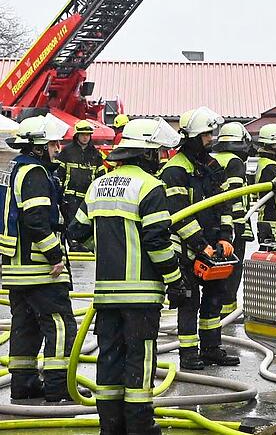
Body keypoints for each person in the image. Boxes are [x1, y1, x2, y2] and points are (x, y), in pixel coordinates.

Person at [68, 118, 187, 435]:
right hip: (141, 295)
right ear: (147, 153)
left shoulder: (98, 185)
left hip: (106, 294)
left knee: (109, 360)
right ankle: (140, 427)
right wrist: (175, 280)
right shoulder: (150, 187)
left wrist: (109, 248)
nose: (160, 158)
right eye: (158, 152)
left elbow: (77, 232)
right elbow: (157, 243)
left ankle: (111, 427)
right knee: (140, 361)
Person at [0, 114, 76, 402]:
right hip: (39, 267)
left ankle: (24, 385)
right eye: (53, 144)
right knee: (60, 324)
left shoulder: (13, 168)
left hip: (16, 267)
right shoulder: (34, 173)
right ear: (38, 147)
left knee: (25, 327)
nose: (58, 148)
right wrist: (55, 255)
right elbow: (35, 219)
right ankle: (58, 387)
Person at [159, 106, 239, 370]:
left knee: (214, 300)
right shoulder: (175, 170)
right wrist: (200, 246)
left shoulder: (213, 166)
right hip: (186, 249)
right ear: (192, 136)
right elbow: (179, 214)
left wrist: (226, 237)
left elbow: (224, 203)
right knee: (189, 302)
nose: (210, 139)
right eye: (206, 135)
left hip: (215, 247)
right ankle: (188, 353)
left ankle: (211, 348)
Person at [211, 122, 254, 318]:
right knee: (232, 270)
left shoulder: (214, 158)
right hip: (234, 225)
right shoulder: (235, 162)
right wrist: (240, 225)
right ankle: (228, 312)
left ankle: (218, 309)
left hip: (216, 223)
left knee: (218, 269)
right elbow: (235, 196)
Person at [56, 119, 105, 250]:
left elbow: (100, 176)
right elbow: (59, 173)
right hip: (70, 195)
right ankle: (72, 244)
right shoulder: (67, 151)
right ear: (77, 135)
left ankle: (81, 244)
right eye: (83, 134)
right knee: (70, 221)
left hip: (88, 197)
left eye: (88, 135)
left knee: (85, 222)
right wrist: (59, 192)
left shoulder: (95, 154)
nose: (85, 137)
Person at [253, 123, 276, 242]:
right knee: (270, 251)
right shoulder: (270, 167)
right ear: (274, 145)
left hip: (268, 218)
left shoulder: (266, 163)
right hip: (271, 220)